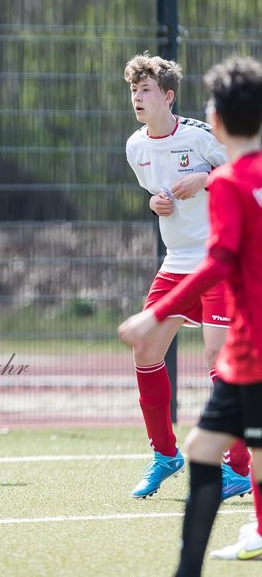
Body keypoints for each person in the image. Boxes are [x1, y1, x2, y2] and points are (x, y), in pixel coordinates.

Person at [118, 55, 262, 573]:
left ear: (168, 96)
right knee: (146, 346)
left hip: (216, 263)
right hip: (178, 261)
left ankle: (238, 468)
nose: (138, 96)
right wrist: (157, 204)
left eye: (148, 88)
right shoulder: (136, 146)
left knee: (224, 359)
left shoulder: (203, 136)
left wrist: (204, 176)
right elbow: (154, 192)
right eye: (134, 88)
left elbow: (239, 165)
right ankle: (164, 455)